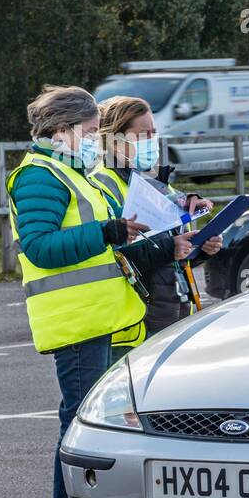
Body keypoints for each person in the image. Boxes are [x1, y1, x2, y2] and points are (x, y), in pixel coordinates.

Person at [7, 85, 178, 498]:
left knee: (96, 428)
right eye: (86, 130)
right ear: (61, 130)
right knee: (79, 430)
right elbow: (40, 247)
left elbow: (114, 247)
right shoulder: (40, 176)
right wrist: (108, 231)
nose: (92, 138)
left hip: (107, 318)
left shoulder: (73, 174)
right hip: (79, 322)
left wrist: (155, 241)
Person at [89, 96, 222, 356]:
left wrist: (201, 247)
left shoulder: (158, 184)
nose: (151, 140)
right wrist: (169, 248)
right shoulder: (101, 184)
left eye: (154, 133)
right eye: (142, 135)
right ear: (115, 140)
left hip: (174, 309)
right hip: (136, 320)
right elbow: (114, 254)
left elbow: (177, 255)